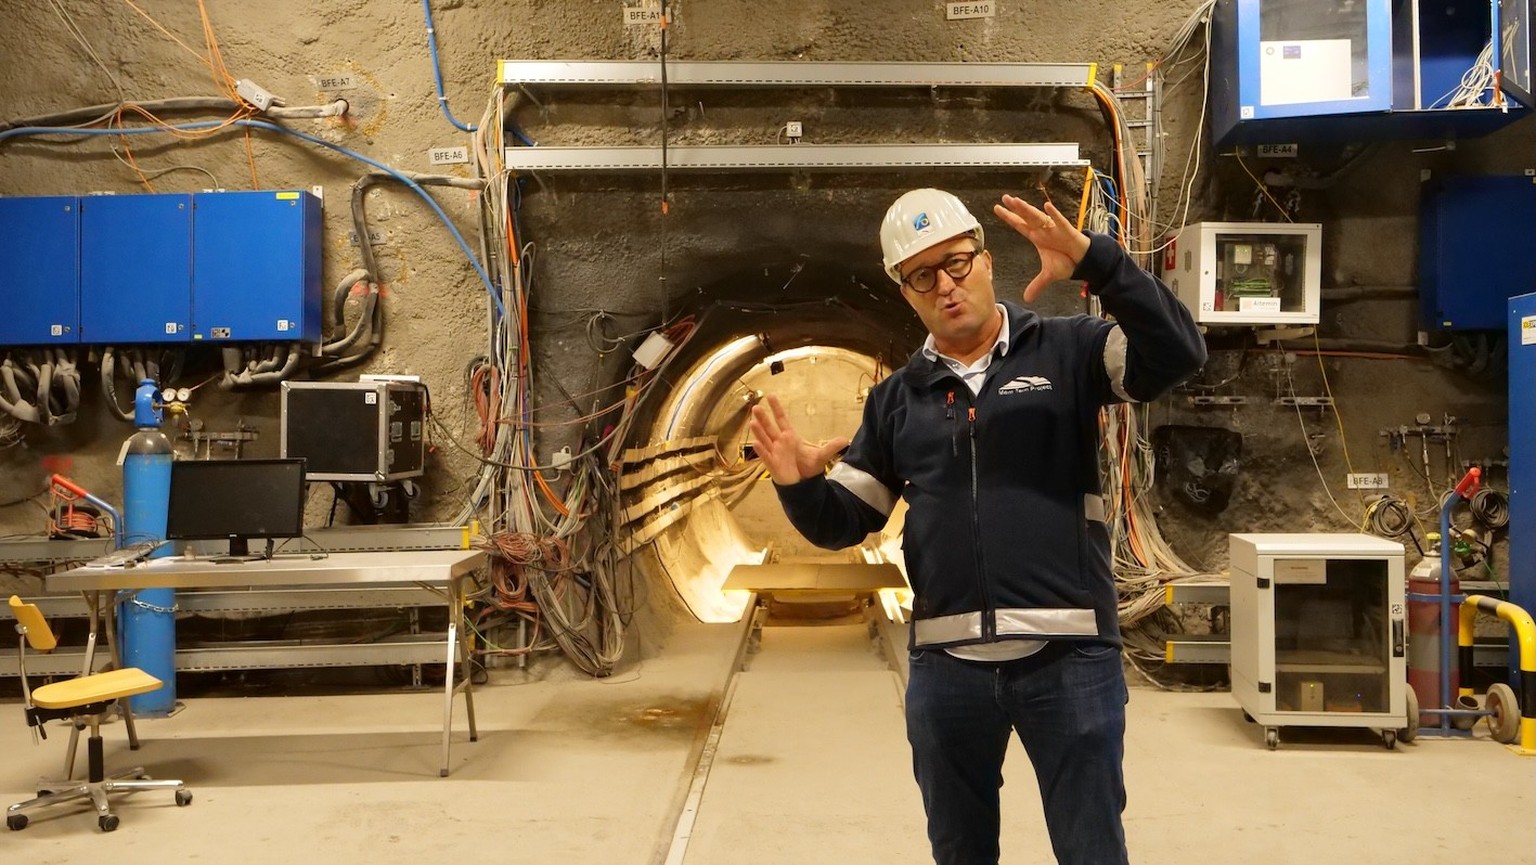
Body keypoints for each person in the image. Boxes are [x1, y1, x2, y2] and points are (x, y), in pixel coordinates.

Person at [747, 188, 1206, 865]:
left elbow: (1177, 354)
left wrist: (1099, 263)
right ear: (906, 292)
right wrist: (796, 483)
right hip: (948, 669)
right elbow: (847, 521)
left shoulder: (1069, 351)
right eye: (922, 275)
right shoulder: (896, 401)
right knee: (959, 852)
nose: (946, 285)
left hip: (1069, 656)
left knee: (1092, 850)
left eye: (957, 263)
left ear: (987, 261)